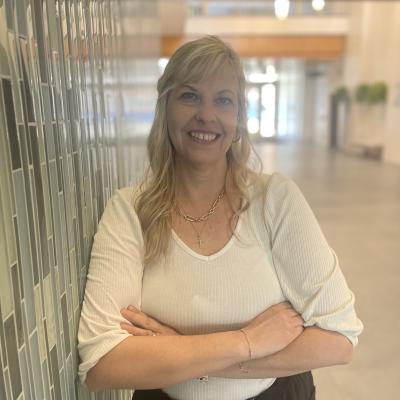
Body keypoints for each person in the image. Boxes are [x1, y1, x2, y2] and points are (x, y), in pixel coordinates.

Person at [78, 36, 363, 400]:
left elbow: (339, 339)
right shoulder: (130, 211)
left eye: (223, 100)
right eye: (190, 96)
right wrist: (247, 341)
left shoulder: (275, 200)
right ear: (164, 108)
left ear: (238, 118)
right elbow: (103, 364)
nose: (207, 115)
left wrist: (184, 352)